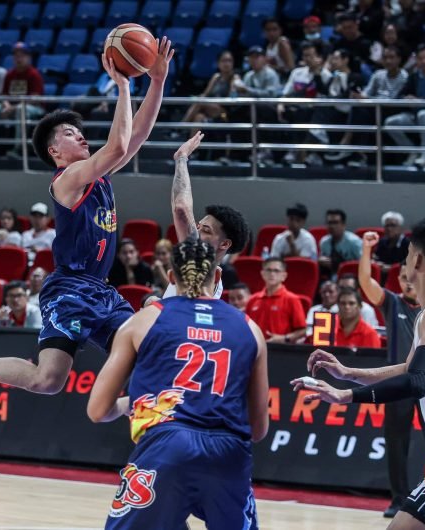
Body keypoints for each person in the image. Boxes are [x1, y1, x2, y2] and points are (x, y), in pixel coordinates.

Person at [0, 38, 175, 396]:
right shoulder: (67, 180)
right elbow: (117, 144)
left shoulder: (98, 175)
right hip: (69, 290)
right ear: (55, 151)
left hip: (99, 291)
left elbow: (137, 136)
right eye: (70, 133)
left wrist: (158, 80)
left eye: (80, 131)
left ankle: (144, 421)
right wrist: (123, 84)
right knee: (47, 380)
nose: (81, 136)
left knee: (143, 352)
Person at [293, 216, 425, 529]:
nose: (404, 263)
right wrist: (348, 372)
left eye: (407, 254)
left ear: (417, 260)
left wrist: (347, 396)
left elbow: (418, 382)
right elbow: (409, 368)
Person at [87, 238, 269, 529]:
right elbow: (259, 430)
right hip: (230, 453)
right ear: (218, 276)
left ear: (171, 277)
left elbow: (97, 410)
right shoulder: (250, 328)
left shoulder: (144, 320)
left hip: (168, 445)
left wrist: (133, 403)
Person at [359, 231, 421, 518]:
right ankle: (400, 499)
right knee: (396, 443)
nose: (408, 282)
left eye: (412, 277)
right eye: (403, 278)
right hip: (399, 383)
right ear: (398, 282)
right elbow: (365, 283)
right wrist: (366, 250)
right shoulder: (393, 303)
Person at [162, 132, 250, 300]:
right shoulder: (214, 279)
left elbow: (180, 207)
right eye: (198, 226)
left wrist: (181, 159)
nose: (196, 232)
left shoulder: (197, 261)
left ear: (224, 243)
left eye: (206, 231)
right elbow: (177, 205)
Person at [384, 45, 425, 168]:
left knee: (423, 114)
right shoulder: (413, 76)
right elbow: (401, 94)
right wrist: (406, 99)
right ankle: (411, 151)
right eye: (420, 59)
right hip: (414, 114)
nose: (423, 61)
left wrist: (421, 101)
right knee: (390, 123)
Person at [0, 42, 44, 158]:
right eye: (16, 56)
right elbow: (4, 95)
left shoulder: (34, 74)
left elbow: (35, 98)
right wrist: (6, 105)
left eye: (22, 55)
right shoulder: (10, 74)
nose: (19, 58)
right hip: (11, 108)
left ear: (28, 58)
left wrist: (12, 108)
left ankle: (18, 148)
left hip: (33, 108)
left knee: (20, 109)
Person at [245, 257, 307, 343]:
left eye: (276, 271)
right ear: (262, 274)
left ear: (284, 276)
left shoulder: (292, 299)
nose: (272, 274)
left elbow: (303, 331)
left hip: (280, 351)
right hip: (254, 348)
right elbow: (245, 326)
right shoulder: (252, 299)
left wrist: (285, 338)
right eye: (269, 270)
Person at [181, 50, 242, 135]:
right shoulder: (216, 77)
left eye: (229, 60)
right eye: (224, 61)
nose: (227, 64)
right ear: (218, 63)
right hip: (210, 109)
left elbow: (231, 98)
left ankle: (180, 128)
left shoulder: (234, 77)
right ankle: (192, 147)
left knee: (200, 102)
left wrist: (234, 88)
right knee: (199, 117)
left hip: (224, 113)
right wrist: (195, 98)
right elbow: (205, 94)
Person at [319, 209, 362, 275]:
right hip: (332, 275)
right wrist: (321, 261)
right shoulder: (324, 242)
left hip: (352, 276)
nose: (332, 226)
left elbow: (364, 265)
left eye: (335, 223)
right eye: (329, 223)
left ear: (343, 225)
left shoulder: (354, 242)